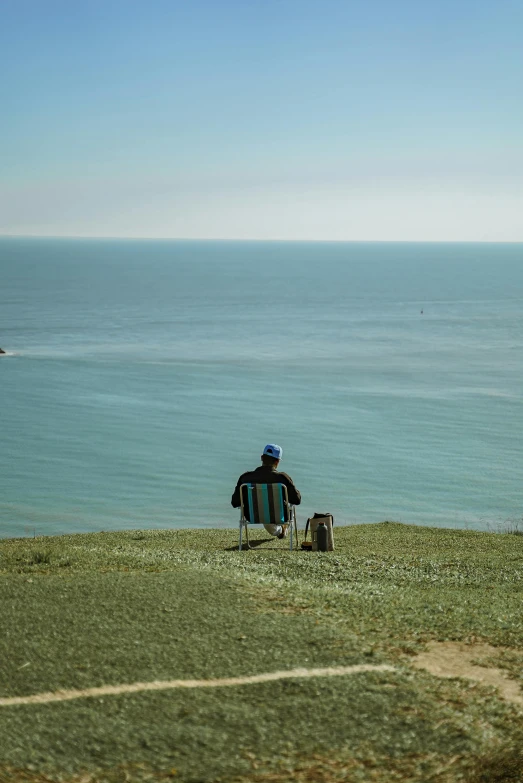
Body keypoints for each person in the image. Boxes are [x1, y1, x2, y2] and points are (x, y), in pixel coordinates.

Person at [231, 444, 301, 539]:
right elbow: (296, 500)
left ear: (262, 458)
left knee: (264, 508)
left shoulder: (245, 478)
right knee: (287, 506)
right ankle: (282, 530)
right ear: (277, 461)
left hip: (252, 516)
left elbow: (235, 502)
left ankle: (280, 531)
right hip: (280, 516)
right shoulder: (283, 478)